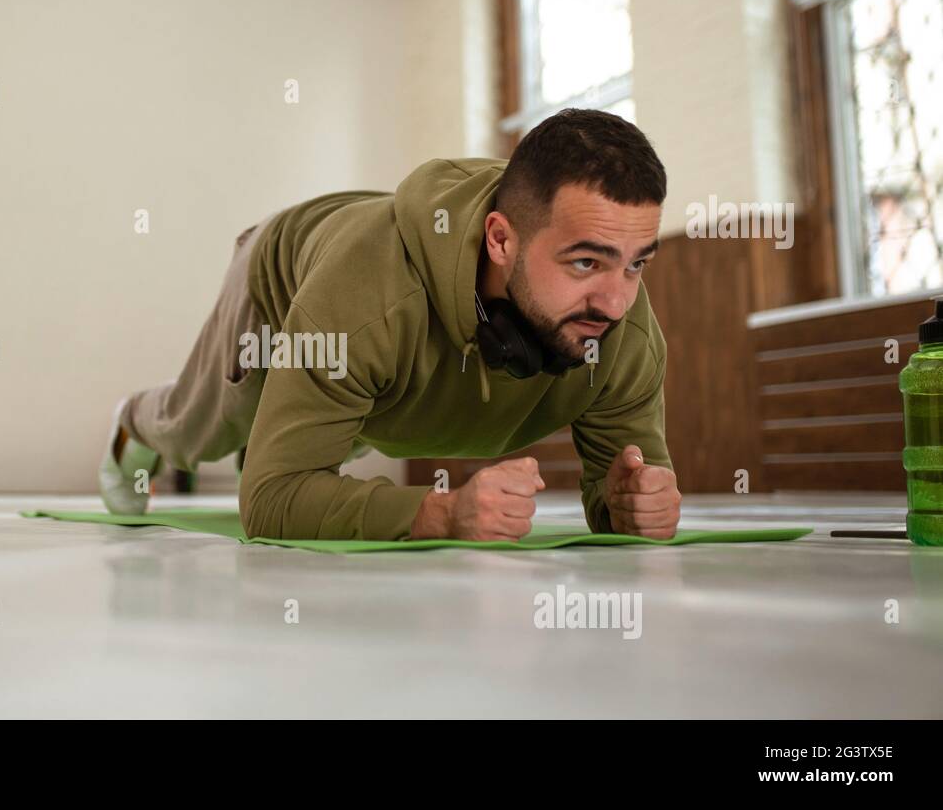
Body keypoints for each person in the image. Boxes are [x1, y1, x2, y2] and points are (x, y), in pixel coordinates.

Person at [99, 108, 681, 541]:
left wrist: (632, 506)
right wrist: (441, 514)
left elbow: (622, 493)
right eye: (586, 262)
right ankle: (135, 427)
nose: (614, 302)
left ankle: (280, 432)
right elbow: (271, 502)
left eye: (635, 263)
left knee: (326, 433)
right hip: (283, 274)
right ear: (501, 239)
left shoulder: (623, 333)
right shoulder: (361, 307)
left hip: (376, 328)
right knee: (203, 430)